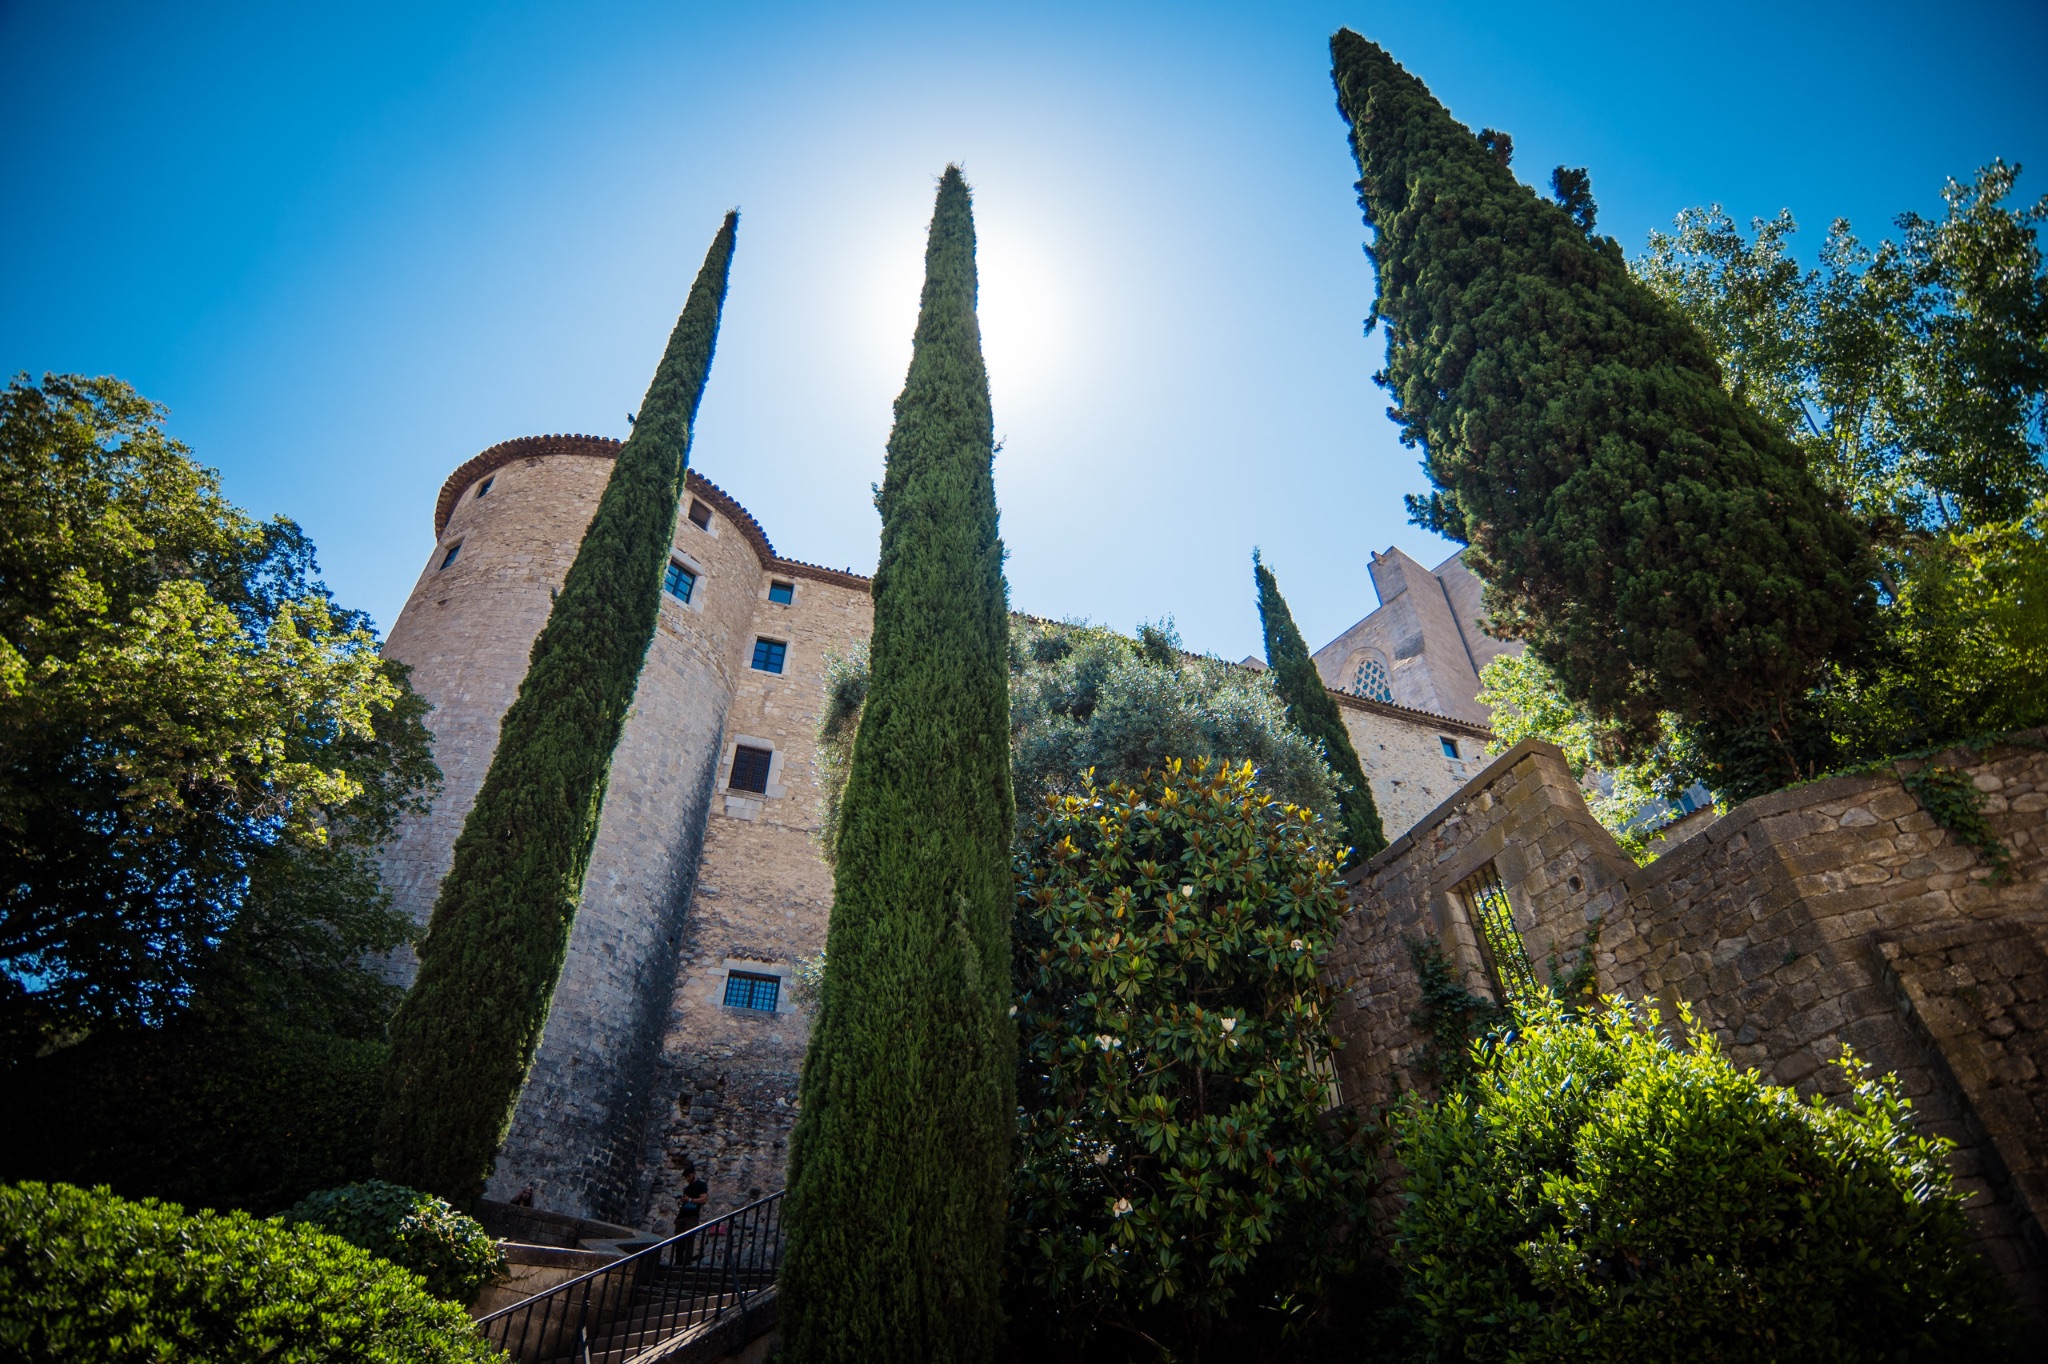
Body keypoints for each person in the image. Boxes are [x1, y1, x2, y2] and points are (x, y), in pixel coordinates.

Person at [673, 1163, 709, 1264]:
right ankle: (678, 1263)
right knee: (679, 1242)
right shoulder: (687, 1189)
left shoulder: (701, 1185)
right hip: (682, 1216)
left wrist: (689, 1200)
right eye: (686, 1177)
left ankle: (686, 1263)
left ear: (694, 1174)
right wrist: (678, 1217)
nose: (688, 1179)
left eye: (689, 1176)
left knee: (689, 1240)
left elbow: (703, 1199)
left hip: (692, 1217)